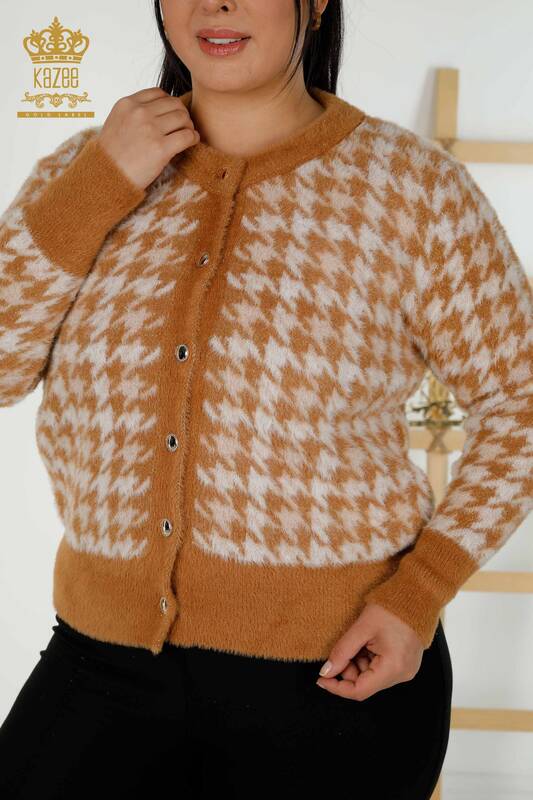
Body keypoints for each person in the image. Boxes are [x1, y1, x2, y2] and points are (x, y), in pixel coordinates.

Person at [1, 1, 532, 797]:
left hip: (333, 674)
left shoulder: (409, 190)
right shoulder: (87, 170)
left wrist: (417, 595)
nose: (215, 4)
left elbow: (519, 400)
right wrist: (100, 183)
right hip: (102, 658)